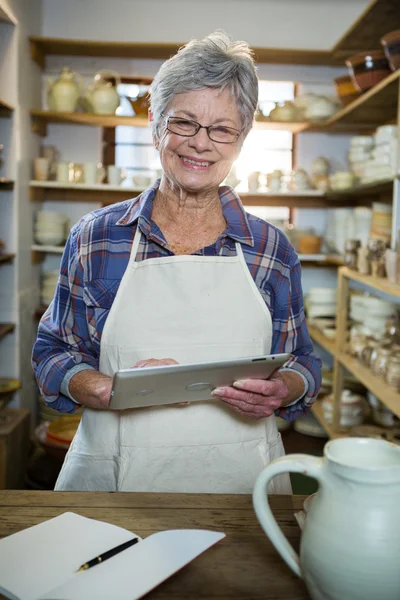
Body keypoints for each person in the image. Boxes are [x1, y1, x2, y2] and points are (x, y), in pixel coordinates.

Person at [32, 30, 321, 493]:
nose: (201, 144)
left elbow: (304, 360)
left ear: (242, 137)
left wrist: (284, 388)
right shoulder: (97, 237)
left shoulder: (271, 249)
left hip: (241, 487)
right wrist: (108, 389)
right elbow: (52, 352)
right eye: (184, 122)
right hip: (114, 482)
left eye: (222, 128)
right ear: (154, 122)